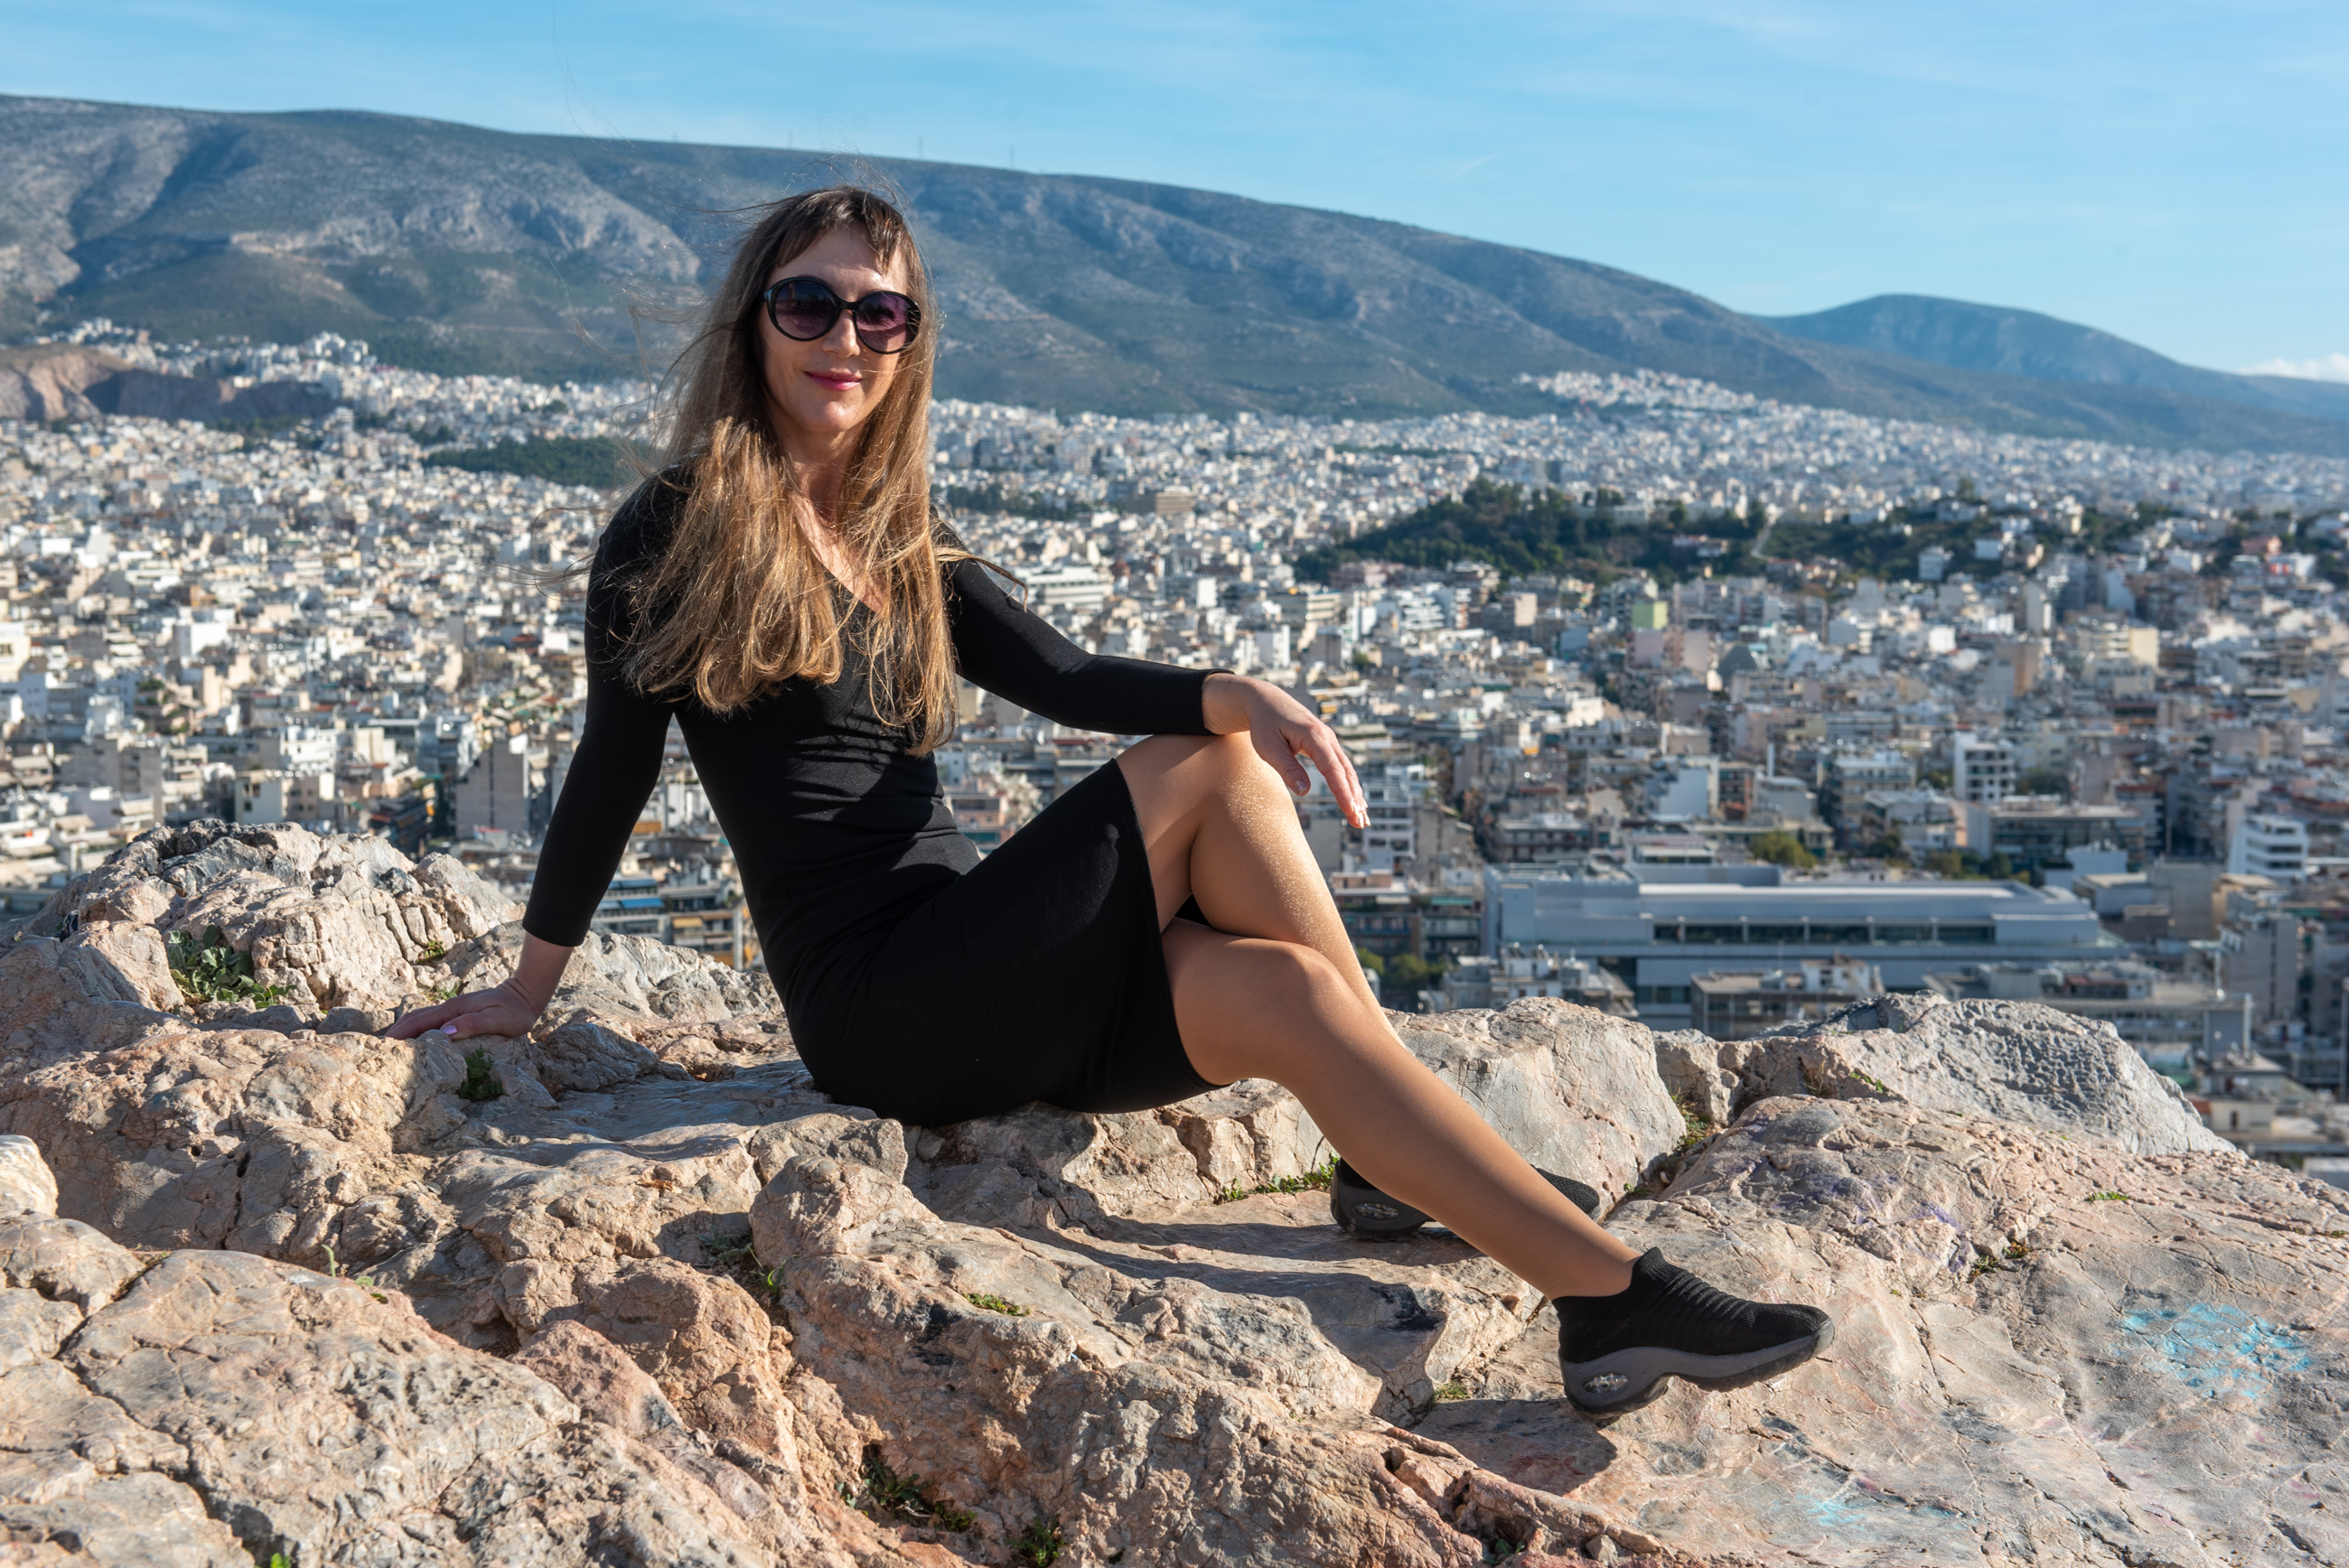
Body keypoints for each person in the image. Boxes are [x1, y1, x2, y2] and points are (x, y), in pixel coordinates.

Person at [388, 186, 1830, 1414]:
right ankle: (1609, 1288)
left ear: (910, 343)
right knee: (1212, 763)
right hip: (876, 1004)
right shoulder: (676, 526)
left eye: (880, 314)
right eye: (809, 304)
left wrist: (1234, 685)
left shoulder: (896, 532)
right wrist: (528, 987)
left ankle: (1505, 1246)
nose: (844, 338)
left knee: (1285, 993)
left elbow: (1064, 676)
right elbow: (613, 765)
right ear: (752, 322)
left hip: (981, 966)